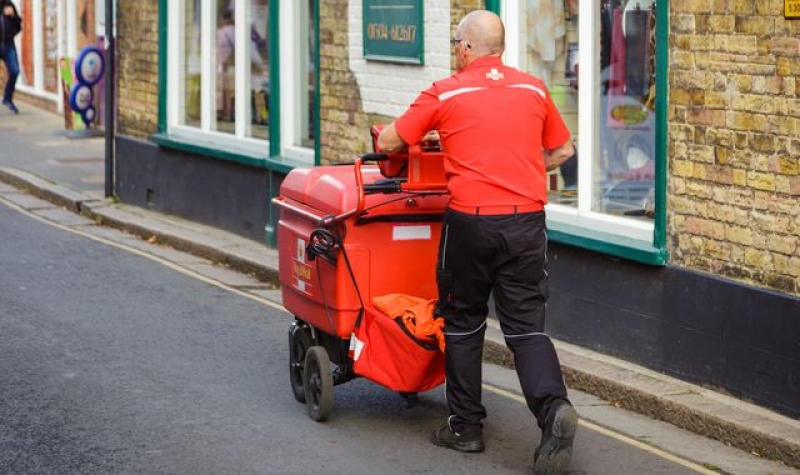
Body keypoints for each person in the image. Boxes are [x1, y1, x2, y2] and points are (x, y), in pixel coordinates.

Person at [377, 10, 578, 475]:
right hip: (527, 222)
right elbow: (565, 150)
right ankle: (552, 411)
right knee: (526, 326)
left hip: (471, 223)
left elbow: (390, 140)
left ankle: (466, 427)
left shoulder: (447, 90)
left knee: (464, 321)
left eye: (455, 43)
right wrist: (521, 170)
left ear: (466, 48)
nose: (454, 50)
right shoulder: (532, 88)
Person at [0, 0, 22, 114]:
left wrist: (13, 16)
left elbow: (18, 26)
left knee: (14, 71)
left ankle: (7, 99)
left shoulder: (9, 4)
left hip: (8, 45)